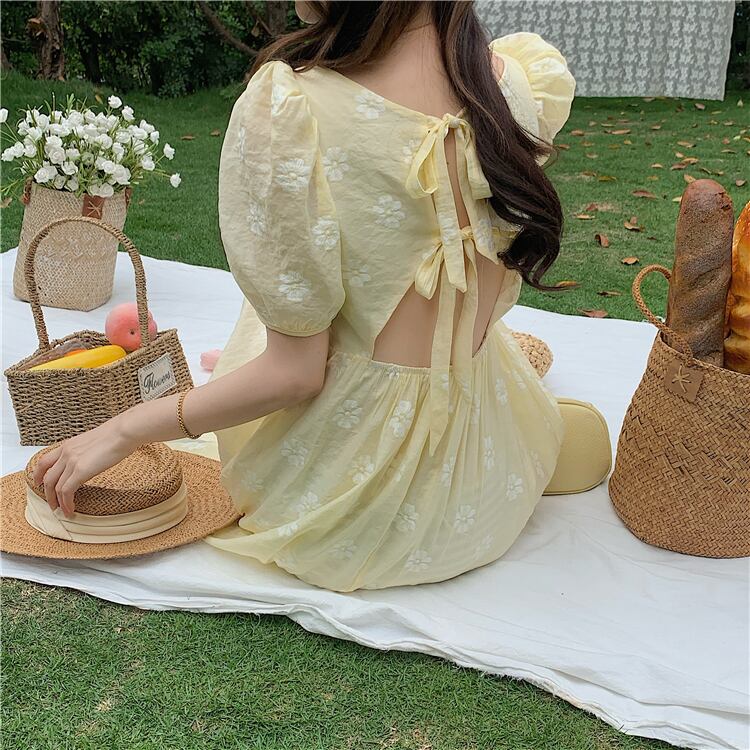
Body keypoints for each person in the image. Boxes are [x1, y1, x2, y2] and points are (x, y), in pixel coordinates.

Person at [34, 1, 585, 592]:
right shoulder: (508, 82)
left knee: (292, 315)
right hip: (490, 475)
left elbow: (295, 376)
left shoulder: (293, 109)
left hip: (358, 514)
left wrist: (123, 429)